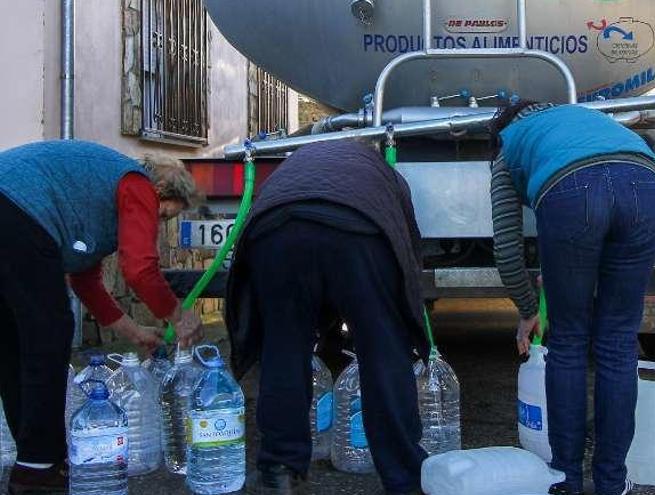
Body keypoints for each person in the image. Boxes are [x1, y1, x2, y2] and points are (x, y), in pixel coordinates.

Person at [225, 140, 429, 495]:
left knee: (283, 348)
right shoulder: (383, 171)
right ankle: (404, 477)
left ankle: (278, 465)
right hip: (358, 230)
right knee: (383, 350)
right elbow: (406, 244)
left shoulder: (297, 163)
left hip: (275, 230)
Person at [0, 140, 204, 493]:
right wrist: (179, 315)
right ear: (161, 192)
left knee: (15, 340)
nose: (157, 223)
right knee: (49, 334)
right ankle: (38, 467)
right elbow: (140, 268)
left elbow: (86, 281)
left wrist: (135, 331)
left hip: (12, 210)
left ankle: (33, 459)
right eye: (165, 215)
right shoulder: (138, 184)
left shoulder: (92, 203)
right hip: (18, 210)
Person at [489, 102, 655, 495]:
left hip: (571, 190)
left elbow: (506, 246)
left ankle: (566, 479)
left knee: (568, 342)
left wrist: (527, 308)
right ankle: (612, 483)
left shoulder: (508, 146)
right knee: (619, 343)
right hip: (646, 182)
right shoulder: (587, 117)